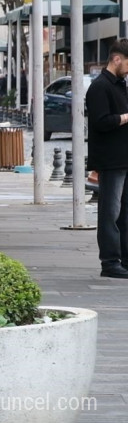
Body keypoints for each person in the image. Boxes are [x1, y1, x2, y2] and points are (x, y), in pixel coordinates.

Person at [87, 38, 128, 279]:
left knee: (124, 213)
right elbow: (101, 122)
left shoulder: (120, 84)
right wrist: (125, 117)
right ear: (116, 59)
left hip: (123, 158)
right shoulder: (100, 86)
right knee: (110, 213)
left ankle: (123, 259)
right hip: (111, 161)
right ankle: (110, 262)